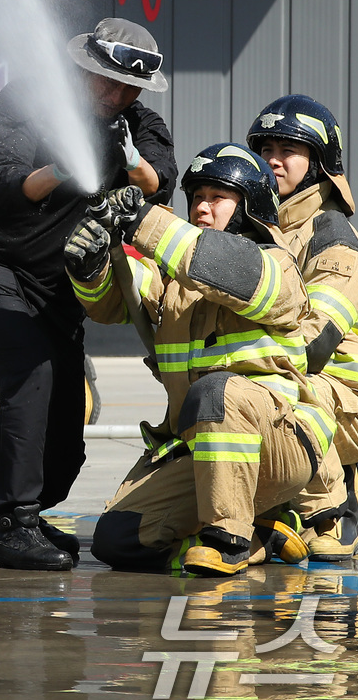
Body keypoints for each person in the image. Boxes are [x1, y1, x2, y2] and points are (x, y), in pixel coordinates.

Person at [0, 17, 177, 571]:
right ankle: (12, 523)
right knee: (33, 371)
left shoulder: (139, 123)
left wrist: (132, 162)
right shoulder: (26, 102)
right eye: (103, 81)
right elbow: (4, 188)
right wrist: (61, 169)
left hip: (58, 285)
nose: (113, 94)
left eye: (127, 88)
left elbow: (161, 181)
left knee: (69, 427)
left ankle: (36, 509)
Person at [69, 146, 334, 577]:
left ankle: (226, 538)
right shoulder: (179, 281)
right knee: (117, 540)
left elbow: (223, 268)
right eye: (197, 198)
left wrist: (144, 220)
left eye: (218, 197)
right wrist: (91, 265)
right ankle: (258, 537)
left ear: (251, 205)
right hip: (205, 452)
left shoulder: (275, 264)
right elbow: (121, 299)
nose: (203, 208)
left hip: (282, 447)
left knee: (218, 391)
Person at [246, 95, 358, 560]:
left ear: (318, 164)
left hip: (348, 399)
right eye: (264, 149)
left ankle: (339, 486)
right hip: (292, 383)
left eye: (288, 151)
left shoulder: (331, 236)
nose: (272, 161)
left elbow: (314, 343)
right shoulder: (259, 229)